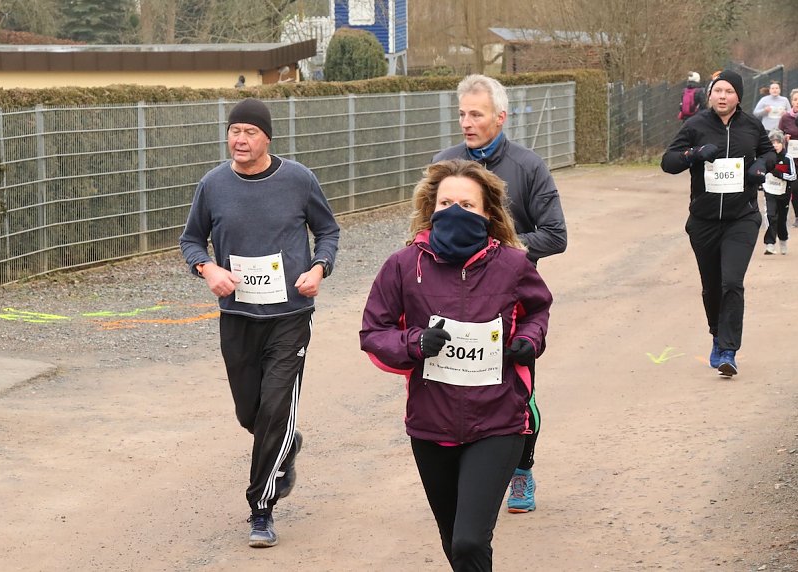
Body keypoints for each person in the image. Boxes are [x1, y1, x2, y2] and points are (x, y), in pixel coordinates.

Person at [359, 159, 553, 571]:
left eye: (466, 204)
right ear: (430, 209)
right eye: (445, 202)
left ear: (488, 213)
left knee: (468, 541)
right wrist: (414, 343)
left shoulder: (513, 265)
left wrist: (527, 341)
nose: (454, 212)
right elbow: (373, 333)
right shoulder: (402, 266)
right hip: (431, 424)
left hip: (498, 419)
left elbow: (538, 310)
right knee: (455, 542)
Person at [179, 97, 340, 548]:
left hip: (290, 315)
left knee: (274, 408)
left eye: (249, 132)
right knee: (250, 411)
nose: (240, 139)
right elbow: (191, 240)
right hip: (237, 317)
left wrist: (319, 268)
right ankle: (286, 442)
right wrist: (207, 269)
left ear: (267, 137)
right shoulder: (213, 185)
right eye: (234, 131)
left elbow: (328, 231)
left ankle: (260, 508)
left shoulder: (298, 180)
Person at [433, 73, 566, 514]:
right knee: (454, 387)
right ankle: (467, 475)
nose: (467, 123)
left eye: (477, 114)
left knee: (516, 391)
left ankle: (522, 469)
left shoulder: (528, 166)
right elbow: (424, 226)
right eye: (462, 114)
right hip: (453, 297)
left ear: (500, 117)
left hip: (511, 302)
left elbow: (555, 234)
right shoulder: (445, 164)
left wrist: (502, 252)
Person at [661, 69, 775, 377]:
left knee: (732, 283)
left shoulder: (752, 125)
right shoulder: (695, 125)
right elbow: (668, 162)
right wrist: (693, 153)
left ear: (738, 96)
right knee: (712, 287)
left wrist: (761, 167)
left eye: (728, 91)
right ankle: (716, 333)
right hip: (704, 221)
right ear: (710, 95)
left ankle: (728, 350)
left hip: (742, 218)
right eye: (717, 91)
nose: (722, 96)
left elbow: (768, 153)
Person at [760, 129, 796, 254]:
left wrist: (780, 174)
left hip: (783, 193)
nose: (775, 145)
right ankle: (770, 244)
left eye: (777, 142)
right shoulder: (766, 157)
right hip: (769, 191)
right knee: (771, 216)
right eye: (772, 142)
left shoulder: (787, 158)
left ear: (782, 143)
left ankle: (783, 240)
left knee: (781, 219)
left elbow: (793, 176)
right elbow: (760, 171)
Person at [776, 87, 798, 228]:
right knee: (795, 187)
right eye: (795, 99)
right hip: (791, 158)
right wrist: (784, 138)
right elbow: (777, 136)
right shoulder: (786, 117)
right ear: (791, 102)